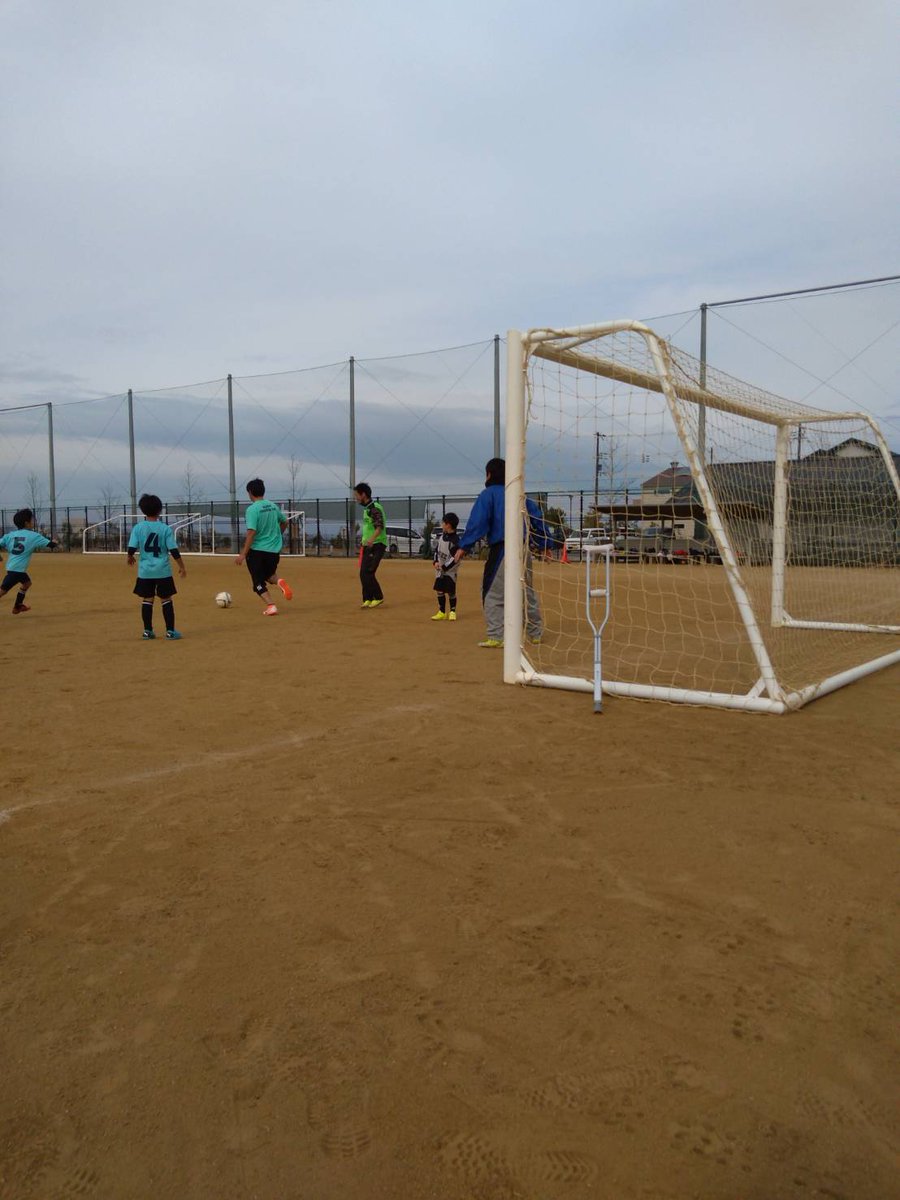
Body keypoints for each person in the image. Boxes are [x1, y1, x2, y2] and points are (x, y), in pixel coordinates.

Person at [454, 458, 542, 648]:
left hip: (502, 550)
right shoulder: (520, 495)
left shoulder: (488, 495)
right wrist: (546, 544)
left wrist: (464, 546)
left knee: (492, 593)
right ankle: (535, 633)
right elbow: (537, 519)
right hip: (523, 549)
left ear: (489, 474)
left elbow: (478, 522)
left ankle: (497, 636)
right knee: (525, 591)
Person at [127, 494, 187, 640]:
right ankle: (170, 631)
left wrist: (129, 557)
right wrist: (182, 566)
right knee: (166, 599)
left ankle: (147, 631)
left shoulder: (138, 528)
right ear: (160, 510)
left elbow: (132, 547)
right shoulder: (165, 529)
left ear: (143, 510)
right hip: (163, 571)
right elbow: (173, 550)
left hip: (145, 572)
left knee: (147, 599)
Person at [234, 478, 293, 616]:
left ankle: (271, 606)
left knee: (257, 583)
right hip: (273, 551)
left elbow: (251, 532)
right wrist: (277, 535)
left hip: (257, 551)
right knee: (269, 575)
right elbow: (285, 522)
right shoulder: (273, 506)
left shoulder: (252, 509)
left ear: (250, 492)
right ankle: (279, 581)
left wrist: (243, 554)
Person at [0, 508, 60, 614]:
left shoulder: (10, 535)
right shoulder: (34, 536)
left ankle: (18, 606)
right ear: (27, 523)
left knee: (27, 583)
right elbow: (51, 545)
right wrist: (55, 542)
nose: (34, 522)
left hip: (13, 568)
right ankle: (17, 606)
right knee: (3, 591)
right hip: (17, 570)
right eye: (32, 520)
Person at [354, 482, 387, 608]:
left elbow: (379, 526)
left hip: (377, 544)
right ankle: (367, 598)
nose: (356, 498)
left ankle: (378, 597)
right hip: (368, 545)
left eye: (357, 495)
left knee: (369, 571)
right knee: (363, 573)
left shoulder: (374, 508)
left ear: (363, 495)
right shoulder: (367, 509)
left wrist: (371, 540)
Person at [431, 512, 461, 621]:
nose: (442, 525)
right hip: (440, 569)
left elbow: (455, 558)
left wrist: (445, 567)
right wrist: (435, 562)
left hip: (450, 571)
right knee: (439, 590)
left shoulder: (455, 541)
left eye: (443, 523)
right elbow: (436, 551)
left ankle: (452, 611)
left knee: (451, 591)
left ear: (448, 525)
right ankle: (441, 611)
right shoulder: (442, 537)